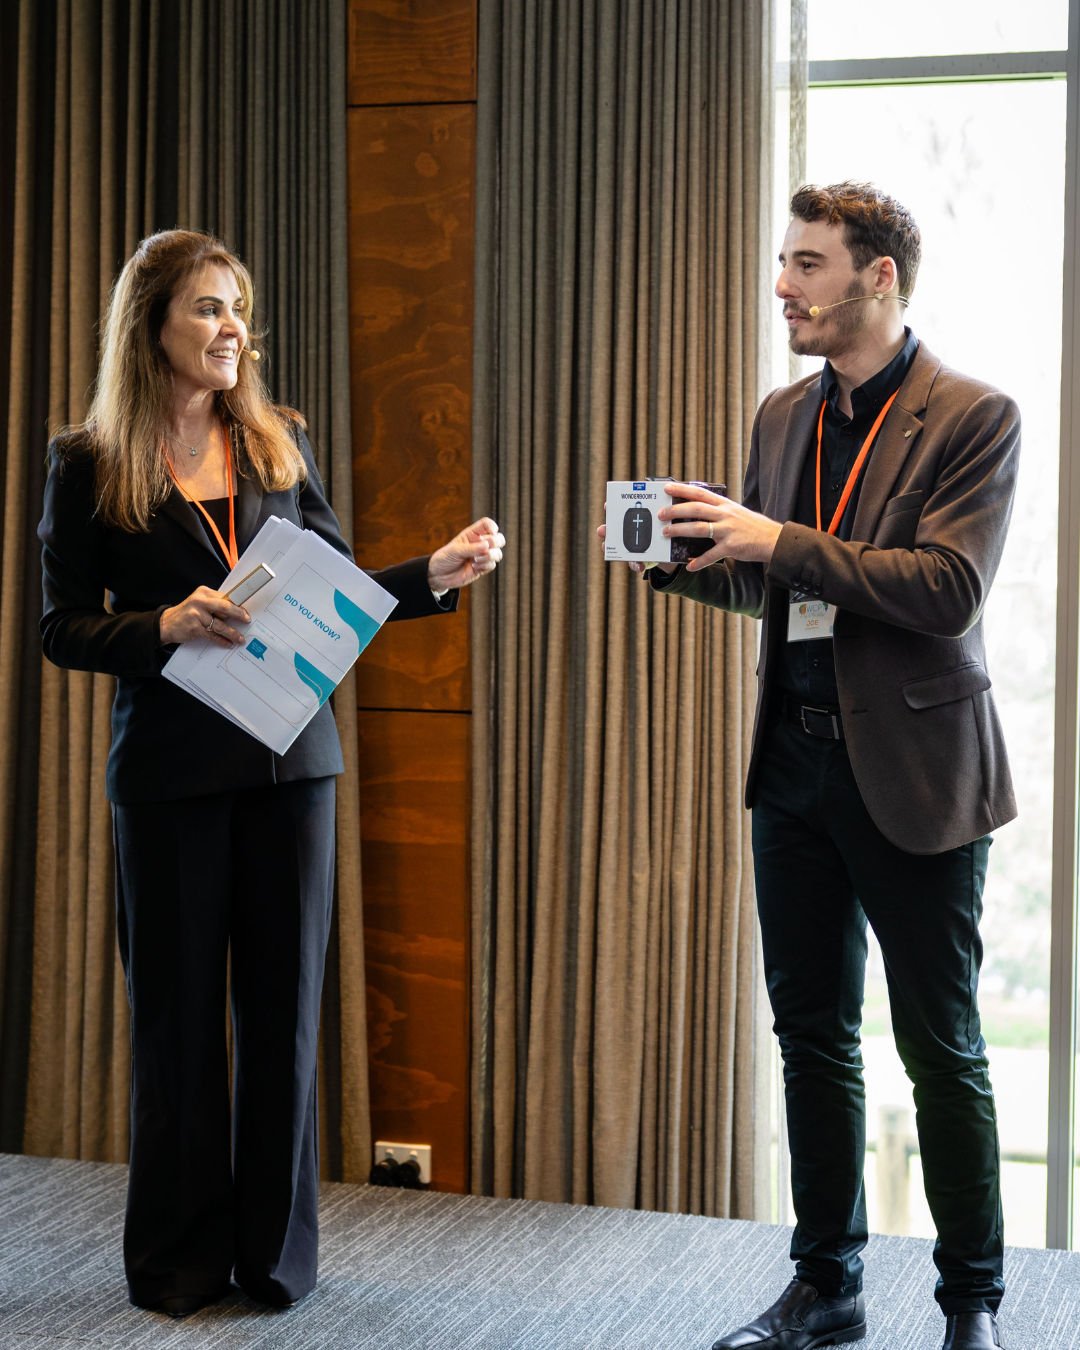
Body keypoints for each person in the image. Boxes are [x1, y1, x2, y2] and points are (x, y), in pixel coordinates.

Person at [38, 229, 504, 1319]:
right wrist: (162, 625)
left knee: (284, 1017)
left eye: (236, 306)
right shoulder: (87, 460)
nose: (231, 327)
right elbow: (62, 628)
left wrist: (431, 576)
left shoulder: (277, 442)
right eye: (208, 307)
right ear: (151, 326)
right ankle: (179, 1263)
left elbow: (334, 593)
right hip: (170, 777)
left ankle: (275, 1261)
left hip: (293, 769)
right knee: (178, 1025)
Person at [602, 183, 1018, 1350]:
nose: (781, 285)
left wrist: (776, 538)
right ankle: (826, 1287)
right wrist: (691, 560)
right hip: (789, 763)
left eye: (807, 265)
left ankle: (972, 1303)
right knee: (812, 1037)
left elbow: (947, 589)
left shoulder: (975, 414)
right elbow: (778, 587)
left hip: (917, 774)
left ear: (879, 278)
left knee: (940, 1047)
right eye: (784, 263)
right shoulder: (783, 414)